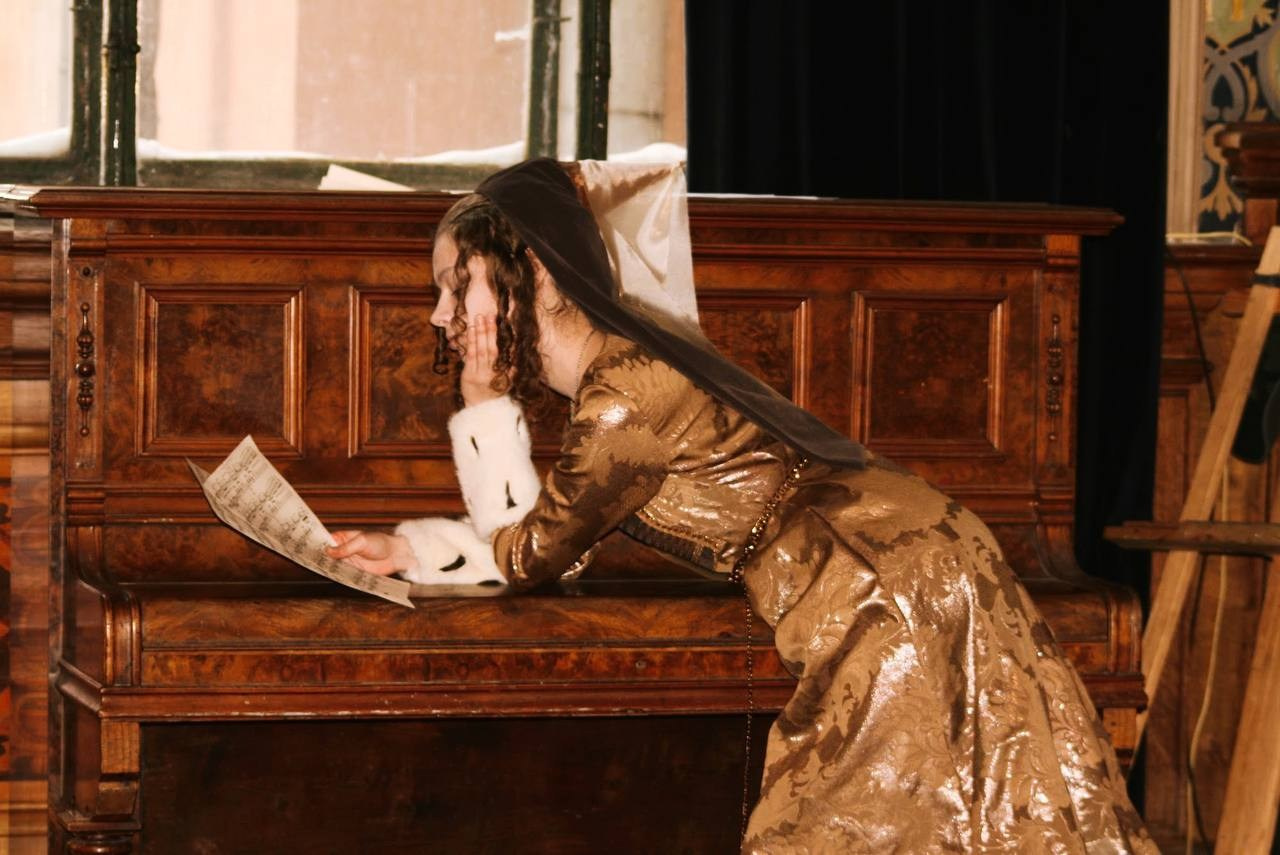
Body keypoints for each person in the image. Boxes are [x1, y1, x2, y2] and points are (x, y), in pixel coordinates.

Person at [326, 159, 1156, 853]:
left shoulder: (621, 399)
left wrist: (480, 399)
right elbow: (569, 535)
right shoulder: (627, 368)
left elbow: (531, 555)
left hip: (876, 579)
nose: (438, 314)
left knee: (863, 825)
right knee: (974, 808)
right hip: (891, 551)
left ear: (534, 273)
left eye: (454, 286)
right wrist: (413, 549)